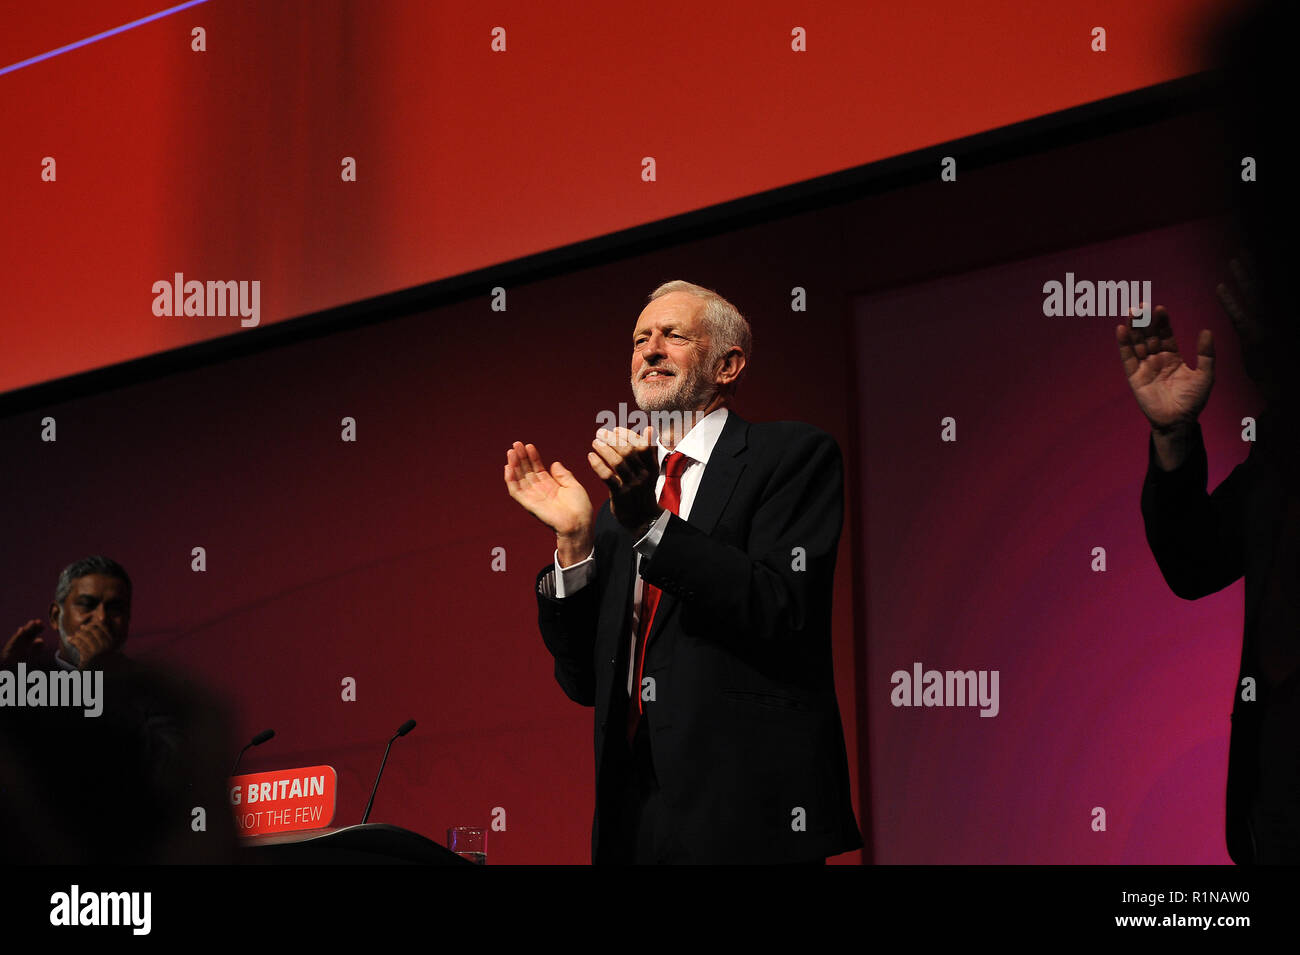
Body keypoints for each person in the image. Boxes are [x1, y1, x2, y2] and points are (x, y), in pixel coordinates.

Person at [504, 280, 862, 863]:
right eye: (641, 338)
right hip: (634, 816)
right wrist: (573, 544)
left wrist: (652, 521)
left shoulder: (791, 456)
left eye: (673, 336)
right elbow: (584, 683)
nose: (650, 350)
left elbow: (781, 609)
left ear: (728, 364)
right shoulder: (621, 513)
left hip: (748, 814)